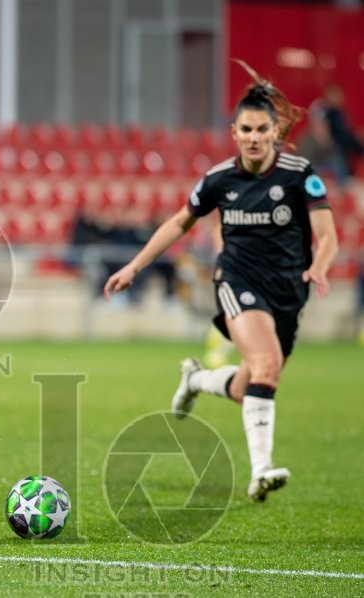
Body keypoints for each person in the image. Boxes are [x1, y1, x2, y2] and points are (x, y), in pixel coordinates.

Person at [103, 61, 338, 503]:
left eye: (261, 129)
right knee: (267, 366)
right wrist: (134, 266)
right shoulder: (218, 180)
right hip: (237, 280)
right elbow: (178, 223)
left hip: (288, 291)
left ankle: (195, 381)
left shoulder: (298, 174)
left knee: (249, 382)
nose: (253, 137)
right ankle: (261, 470)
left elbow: (327, 237)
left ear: (274, 132)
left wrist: (320, 265)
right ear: (234, 132)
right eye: (245, 129)